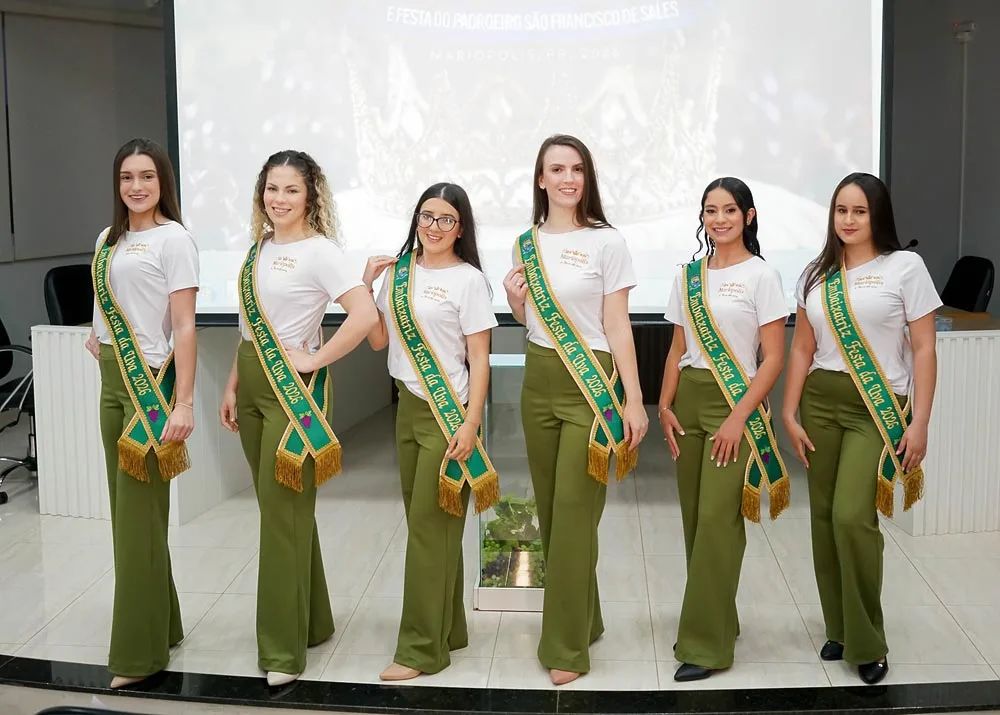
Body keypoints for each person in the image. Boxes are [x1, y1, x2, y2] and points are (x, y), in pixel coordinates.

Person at [219, 150, 378, 686]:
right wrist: (233, 382)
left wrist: (315, 358)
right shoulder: (257, 250)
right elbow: (249, 326)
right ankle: (314, 621)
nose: (279, 199)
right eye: (272, 188)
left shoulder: (321, 252)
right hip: (251, 385)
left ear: (311, 195)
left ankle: (282, 651)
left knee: (281, 520)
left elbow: (364, 315)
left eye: (291, 189)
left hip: (293, 396)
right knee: (280, 512)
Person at [782, 172, 940, 685]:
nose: (848, 220)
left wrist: (920, 421)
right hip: (821, 401)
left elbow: (924, 348)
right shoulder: (815, 273)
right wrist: (789, 411)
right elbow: (802, 348)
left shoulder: (904, 267)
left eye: (859, 211)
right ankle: (840, 627)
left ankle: (868, 640)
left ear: (878, 216)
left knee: (853, 517)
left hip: (875, 405)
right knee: (824, 518)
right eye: (841, 210)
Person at [503, 134, 647, 685]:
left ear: (587, 178)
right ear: (541, 179)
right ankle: (588, 619)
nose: (568, 179)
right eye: (557, 169)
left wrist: (633, 399)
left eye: (577, 169)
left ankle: (565, 646)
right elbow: (532, 321)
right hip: (538, 379)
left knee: (574, 513)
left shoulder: (607, 242)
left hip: (591, 383)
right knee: (552, 512)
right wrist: (516, 302)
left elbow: (617, 325)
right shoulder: (525, 244)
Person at [363, 182, 499, 681]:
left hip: (448, 417)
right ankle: (449, 630)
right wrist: (365, 287)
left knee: (428, 531)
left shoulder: (469, 281)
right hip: (407, 410)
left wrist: (471, 422)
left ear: (460, 228)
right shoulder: (398, 274)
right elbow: (379, 340)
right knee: (432, 528)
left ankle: (420, 650)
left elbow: (480, 358)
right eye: (426, 216)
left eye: (445, 219)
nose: (434, 227)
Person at [659, 177, 790, 681]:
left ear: (748, 216)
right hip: (688, 402)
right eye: (710, 210)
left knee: (718, 522)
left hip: (735, 404)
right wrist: (664, 405)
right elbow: (677, 348)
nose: (719, 219)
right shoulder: (687, 277)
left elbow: (773, 358)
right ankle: (719, 618)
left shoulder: (763, 276)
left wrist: (738, 417)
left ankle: (705, 646)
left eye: (730, 210)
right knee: (695, 521)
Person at [85, 137, 198, 689]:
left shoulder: (174, 239)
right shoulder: (107, 239)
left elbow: (184, 326)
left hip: (149, 389)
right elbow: (107, 302)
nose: (136, 186)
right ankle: (163, 624)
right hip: (112, 382)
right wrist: (96, 334)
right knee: (130, 517)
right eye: (127, 177)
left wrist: (184, 402)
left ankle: (138, 655)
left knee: (138, 522)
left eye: (147, 176)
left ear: (163, 182)